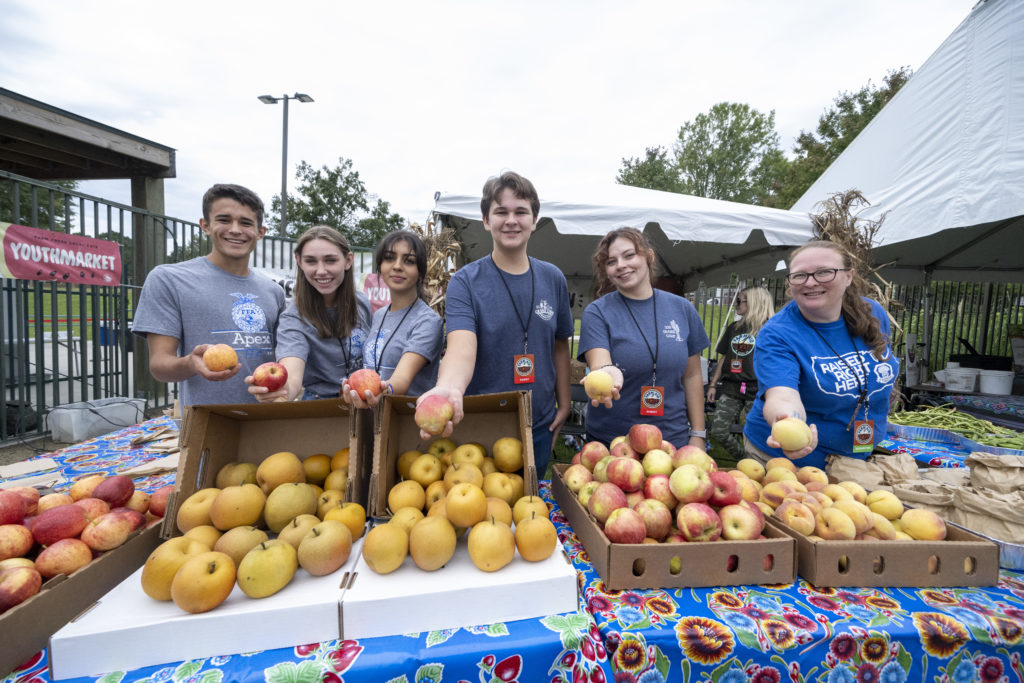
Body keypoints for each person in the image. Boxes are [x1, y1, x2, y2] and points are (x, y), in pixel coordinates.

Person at [417, 171, 573, 479]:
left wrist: (564, 404)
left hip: (537, 422)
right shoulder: (466, 281)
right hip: (482, 420)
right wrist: (449, 387)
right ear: (486, 220)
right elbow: (461, 346)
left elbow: (559, 345)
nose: (511, 220)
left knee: (529, 515)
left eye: (520, 212)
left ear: (535, 220)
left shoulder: (553, 278)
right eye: (501, 212)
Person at [743, 240, 898, 470]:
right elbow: (782, 396)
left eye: (824, 272)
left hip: (858, 454)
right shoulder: (778, 333)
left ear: (848, 276)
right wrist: (789, 422)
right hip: (794, 463)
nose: (811, 282)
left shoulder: (873, 312)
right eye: (799, 276)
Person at [132, 183, 285, 406]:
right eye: (224, 220)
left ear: (260, 232)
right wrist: (191, 364)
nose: (235, 229)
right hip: (208, 427)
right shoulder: (169, 279)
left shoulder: (273, 291)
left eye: (246, 223)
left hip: (268, 422)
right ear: (205, 225)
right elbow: (159, 366)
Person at [577, 227, 710, 449]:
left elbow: (693, 375)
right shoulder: (598, 312)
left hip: (671, 440)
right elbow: (599, 362)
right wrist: (607, 373)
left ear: (648, 256)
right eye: (611, 261)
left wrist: (698, 433)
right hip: (614, 443)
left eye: (629, 255)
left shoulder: (682, 309)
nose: (621, 265)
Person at [247, 225, 371, 402]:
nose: (321, 271)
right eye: (311, 261)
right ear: (299, 261)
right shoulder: (293, 319)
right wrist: (281, 392)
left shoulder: (362, 302)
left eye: (330, 260)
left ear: (348, 261)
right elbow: (291, 375)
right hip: (321, 405)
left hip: (366, 400)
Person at [341, 230, 443, 406]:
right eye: (389, 258)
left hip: (407, 421)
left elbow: (402, 380)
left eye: (409, 261)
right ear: (380, 266)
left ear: (420, 272)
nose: (397, 266)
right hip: (372, 417)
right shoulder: (380, 315)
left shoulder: (427, 321)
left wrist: (383, 390)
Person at [706, 286, 775, 466]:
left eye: (739, 301)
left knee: (759, 433)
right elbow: (723, 358)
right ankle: (747, 461)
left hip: (759, 389)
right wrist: (713, 384)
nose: (735, 304)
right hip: (732, 386)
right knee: (718, 431)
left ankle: (762, 465)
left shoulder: (771, 329)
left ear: (753, 303)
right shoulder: (734, 328)